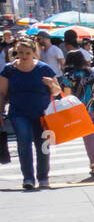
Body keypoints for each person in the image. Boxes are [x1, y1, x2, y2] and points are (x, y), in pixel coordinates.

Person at [0, 36, 59, 189]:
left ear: (34, 52)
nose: (24, 56)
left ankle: (43, 177)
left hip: (42, 113)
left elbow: (57, 91)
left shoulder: (44, 68)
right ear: (16, 53)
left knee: (43, 145)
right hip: (18, 112)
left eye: (27, 53)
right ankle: (28, 178)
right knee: (24, 142)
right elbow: (1, 93)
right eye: (20, 53)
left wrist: (51, 84)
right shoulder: (9, 69)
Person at [56, 50, 94, 178]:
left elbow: (67, 97)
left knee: (89, 138)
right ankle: (93, 162)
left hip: (82, 110)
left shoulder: (69, 76)